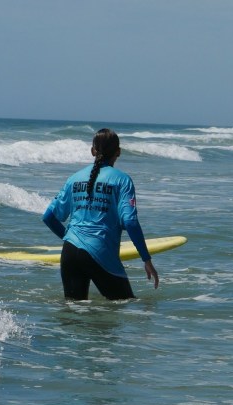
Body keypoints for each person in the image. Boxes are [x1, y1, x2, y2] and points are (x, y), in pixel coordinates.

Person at [42, 128, 159, 300]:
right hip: (100, 253)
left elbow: (48, 217)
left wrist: (70, 238)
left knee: (73, 316)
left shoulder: (74, 178)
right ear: (118, 152)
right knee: (125, 307)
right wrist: (146, 259)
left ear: (93, 151)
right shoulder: (122, 180)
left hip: (70, 253)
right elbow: (130, 222)